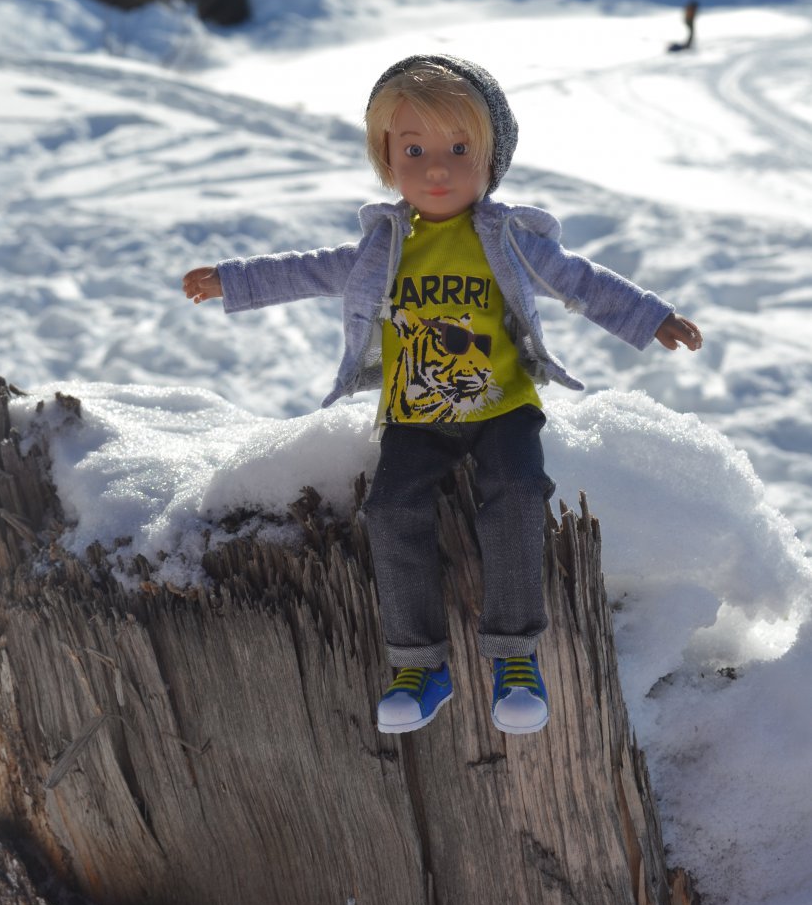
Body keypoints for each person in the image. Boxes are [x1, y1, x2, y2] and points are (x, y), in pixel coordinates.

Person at [182, 54, 702, 738]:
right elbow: (308, 270)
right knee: (392, 508)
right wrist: (233, 280)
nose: (436, 169)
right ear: (386, 157)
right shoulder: (386, 246)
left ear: (491, 159)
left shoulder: (504, 238)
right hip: (416, 414)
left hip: (502, 406)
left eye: (459, 150)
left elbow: (578, 279)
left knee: (517, 490)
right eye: (414, 150)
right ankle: (419, 666)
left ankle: (515, 656)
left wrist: (649, 316)